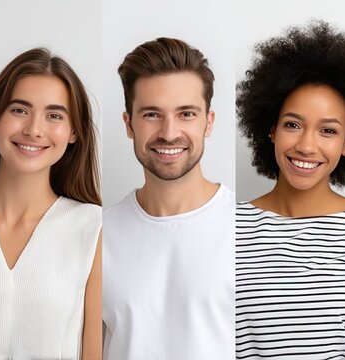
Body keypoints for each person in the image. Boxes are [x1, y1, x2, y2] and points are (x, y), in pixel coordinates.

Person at [235, 21, 345, 359]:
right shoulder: (226, 227)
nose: (307, 145)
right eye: (293, 125)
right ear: (271, 129)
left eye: (327, 130)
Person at [102, 37, 234, 359]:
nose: (169, 132)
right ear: (128, 124)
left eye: (186, 113)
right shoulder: (96, 235)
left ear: (209, 122)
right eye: (151, 115)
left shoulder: (249, 231)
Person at [0, 48, 102, 359]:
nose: (33, 129)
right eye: (19, 110)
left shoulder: (93, 229)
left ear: (73, 133)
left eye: (54, 115)